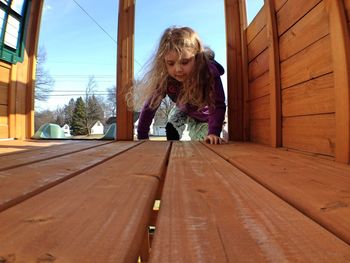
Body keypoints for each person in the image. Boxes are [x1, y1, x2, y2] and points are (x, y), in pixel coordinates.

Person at [134, 26, 226, 144]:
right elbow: (151, 105)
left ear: (197, 58)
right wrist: (142, 135)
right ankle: (173, 146)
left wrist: (214, 132)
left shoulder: (208, 73)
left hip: (205, 115)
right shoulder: (165, 77)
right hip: (182, 109)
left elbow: (217, 105)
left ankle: (208, 133)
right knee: (172, 125)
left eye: (185, 62)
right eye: (170, 63)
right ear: (164, 62)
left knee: (205, 139)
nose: (178, 69)